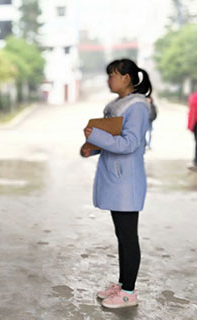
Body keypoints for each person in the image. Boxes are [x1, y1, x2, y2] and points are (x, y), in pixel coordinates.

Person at [80, 58, 152, 309]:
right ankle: (122, 284)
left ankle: (129, 293)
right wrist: (94, 148)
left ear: (127, 78)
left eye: (113, 74)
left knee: (128, 236)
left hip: (126, 181)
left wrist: (96, 136)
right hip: (116, 178)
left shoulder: (137, 107)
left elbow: (130, 143)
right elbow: (113, 139)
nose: (109, 79)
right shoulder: (117, 105)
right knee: (122, 235)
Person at [187, 90, 197, 168]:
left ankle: (196, 162)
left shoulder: (193, 97)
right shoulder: (194, 97)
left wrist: (190, 126)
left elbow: (192, 112)